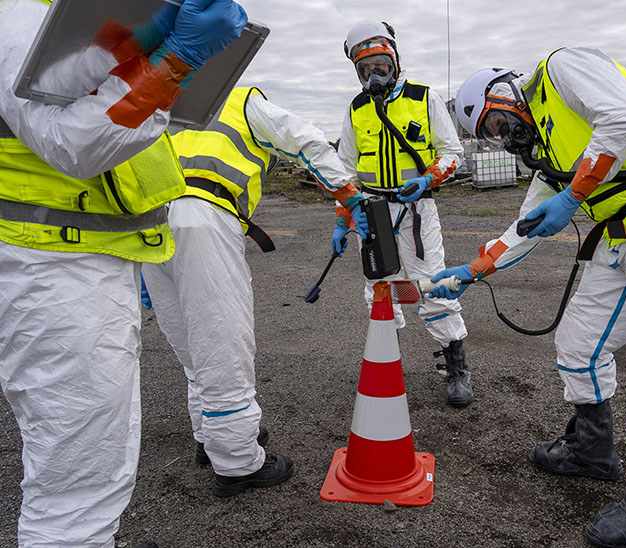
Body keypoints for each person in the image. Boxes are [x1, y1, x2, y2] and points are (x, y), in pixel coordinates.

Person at [436, 47, 626, 547]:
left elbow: (623, 115)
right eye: (493, 137)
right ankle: (593, 452)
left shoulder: (561, 69)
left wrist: (572, 196)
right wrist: (475, 268)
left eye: (498, 124)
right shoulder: (549, 154)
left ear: (503, 92)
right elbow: (525, 226)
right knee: (578, 344)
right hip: (622, 239)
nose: (505, 139)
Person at [0, 0, 247, 546]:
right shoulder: (15, 17)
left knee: (89, 454)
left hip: (70, 256)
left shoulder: (50, 19)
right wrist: (174, 62)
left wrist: (140, 44)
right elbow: (79, 142)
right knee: (76, 480)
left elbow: (71, 101)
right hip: (52, 263)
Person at [140, 86, 369, 497]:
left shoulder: (165, 102)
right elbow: (303, 139)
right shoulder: (239, 98)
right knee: (222, 345)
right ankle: (238, 463)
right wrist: (348, 195)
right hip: (204, 217)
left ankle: (210, 441)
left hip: (150, 227)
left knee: (193, 350)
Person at [333, 19, 473, 407]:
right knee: (380, 287)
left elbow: (452, 153)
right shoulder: (357, 109)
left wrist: (428, 180)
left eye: (380, 64)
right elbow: (343, 169)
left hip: (416, 212)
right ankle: (386, 361)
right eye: (365, 69)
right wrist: (344, 218)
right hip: (373, 212)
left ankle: (456, 366)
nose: (374, 74)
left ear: (394, 60)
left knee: (432, 284)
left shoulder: (423, 97)